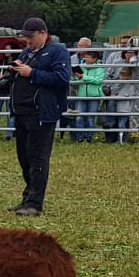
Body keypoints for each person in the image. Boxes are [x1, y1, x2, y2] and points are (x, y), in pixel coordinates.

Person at [6, 18, 74, 215]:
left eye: (31, 36)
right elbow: (23, 72)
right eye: (25, 36)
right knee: (24, 158)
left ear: (43, 33)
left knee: (37, 158)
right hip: (22, 111)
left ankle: (35, 203)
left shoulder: (57, 51)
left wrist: (32, 73)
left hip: (42, 112)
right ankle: (28, 197)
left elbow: (62, 78)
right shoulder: (28, 52)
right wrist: (13, 71)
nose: (27, 40)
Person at [71, 51, 106, 143]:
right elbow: (76, 81)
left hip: (94, 96)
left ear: (94, 59)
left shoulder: (99, 68)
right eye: (85, 57)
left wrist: (83, 76)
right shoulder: (80, 66)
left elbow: (98, 80)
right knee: (79, 117)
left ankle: (89, 138)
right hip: (81, 95)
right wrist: (74, 76)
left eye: (88, 57)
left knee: (91, 118)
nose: (85, 59)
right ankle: (80, 138)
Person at [104, 63, 139, 144]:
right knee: (120, 123)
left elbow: (132, 94)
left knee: (122, 124)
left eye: (124, 75)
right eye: (121, 75)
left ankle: (123, 140)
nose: (123, 77)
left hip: (125, 107)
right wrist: (120, 82)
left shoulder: (131, 84)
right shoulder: (118, 83)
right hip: (118, 106)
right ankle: (120, 140)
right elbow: (113, 91)